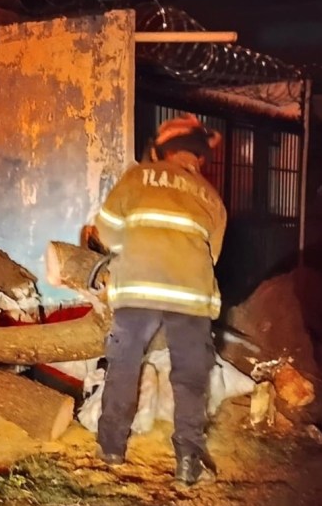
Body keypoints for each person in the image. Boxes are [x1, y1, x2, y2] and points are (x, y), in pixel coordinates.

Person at [91, 114, 226, 486]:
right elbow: (212, 255)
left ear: (160, 149)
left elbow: (106, 231)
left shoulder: (137, 177)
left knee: (124, 365)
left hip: (137, 289)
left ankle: (111, 448)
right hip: (191, 294)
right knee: (190, 378)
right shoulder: (212, 198)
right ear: (200, 157)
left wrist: (136, 244)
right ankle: (187, 464)